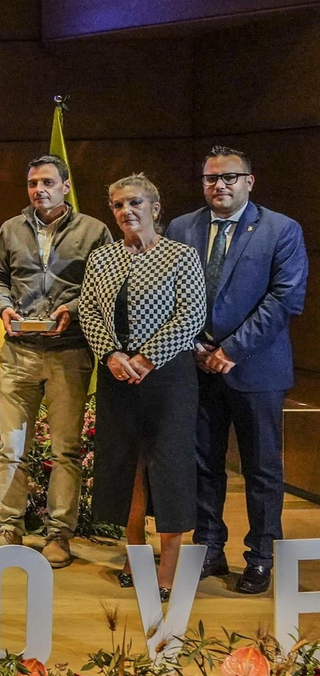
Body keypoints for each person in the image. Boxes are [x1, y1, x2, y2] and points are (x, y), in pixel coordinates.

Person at [167, 147, 308, 595]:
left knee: (262, 468)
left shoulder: (281, 230)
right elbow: (167, 294)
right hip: (194, 366)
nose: (219, 185)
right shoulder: (181, 228)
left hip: (257, 370)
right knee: (204, 463)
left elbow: (285, 298)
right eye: (211, 178)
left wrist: (230, 349)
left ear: (250, 180)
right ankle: (209, 547)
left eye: (230, 177)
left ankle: (261, 555)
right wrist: (193, 345)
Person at [79, 173, 206, 600]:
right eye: (117, 205)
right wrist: (114, 356)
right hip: (118, 377)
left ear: (155, 207)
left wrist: (145, 359)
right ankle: (135, 562)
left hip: (168, 377)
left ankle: (168, 573)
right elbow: (89, 314)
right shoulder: (102, 258)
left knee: (167, 469)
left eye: (134, 203)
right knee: (126, 469)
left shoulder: (181, 256)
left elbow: (190, 317)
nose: (125, 211)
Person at [0, 155, 112, 567]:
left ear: (66, 185)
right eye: (32, 183)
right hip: (19, 352)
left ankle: (59, 534)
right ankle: (10, 526)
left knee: (65, 451)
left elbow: (104, 287)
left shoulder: (94, 230)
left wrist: (71, 310)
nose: (39, 190)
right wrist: (4, 308)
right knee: (11, 447)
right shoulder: (11, 228)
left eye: (47, 182)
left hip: (69, 352)